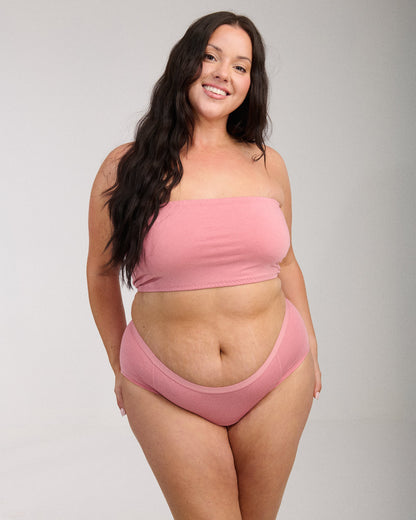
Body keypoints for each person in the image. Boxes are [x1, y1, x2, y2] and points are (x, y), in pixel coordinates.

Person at [87, 10, 322, 520]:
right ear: (185, 61)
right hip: (165, 387)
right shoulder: (125, 166)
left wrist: (311, 346)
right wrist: (118, 366)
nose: (222, 74)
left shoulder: (268, 163)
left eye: (240, 66)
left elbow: (287, 262)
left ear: (251, 83)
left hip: (279, 377)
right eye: (211, 56)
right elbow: (101, 274)